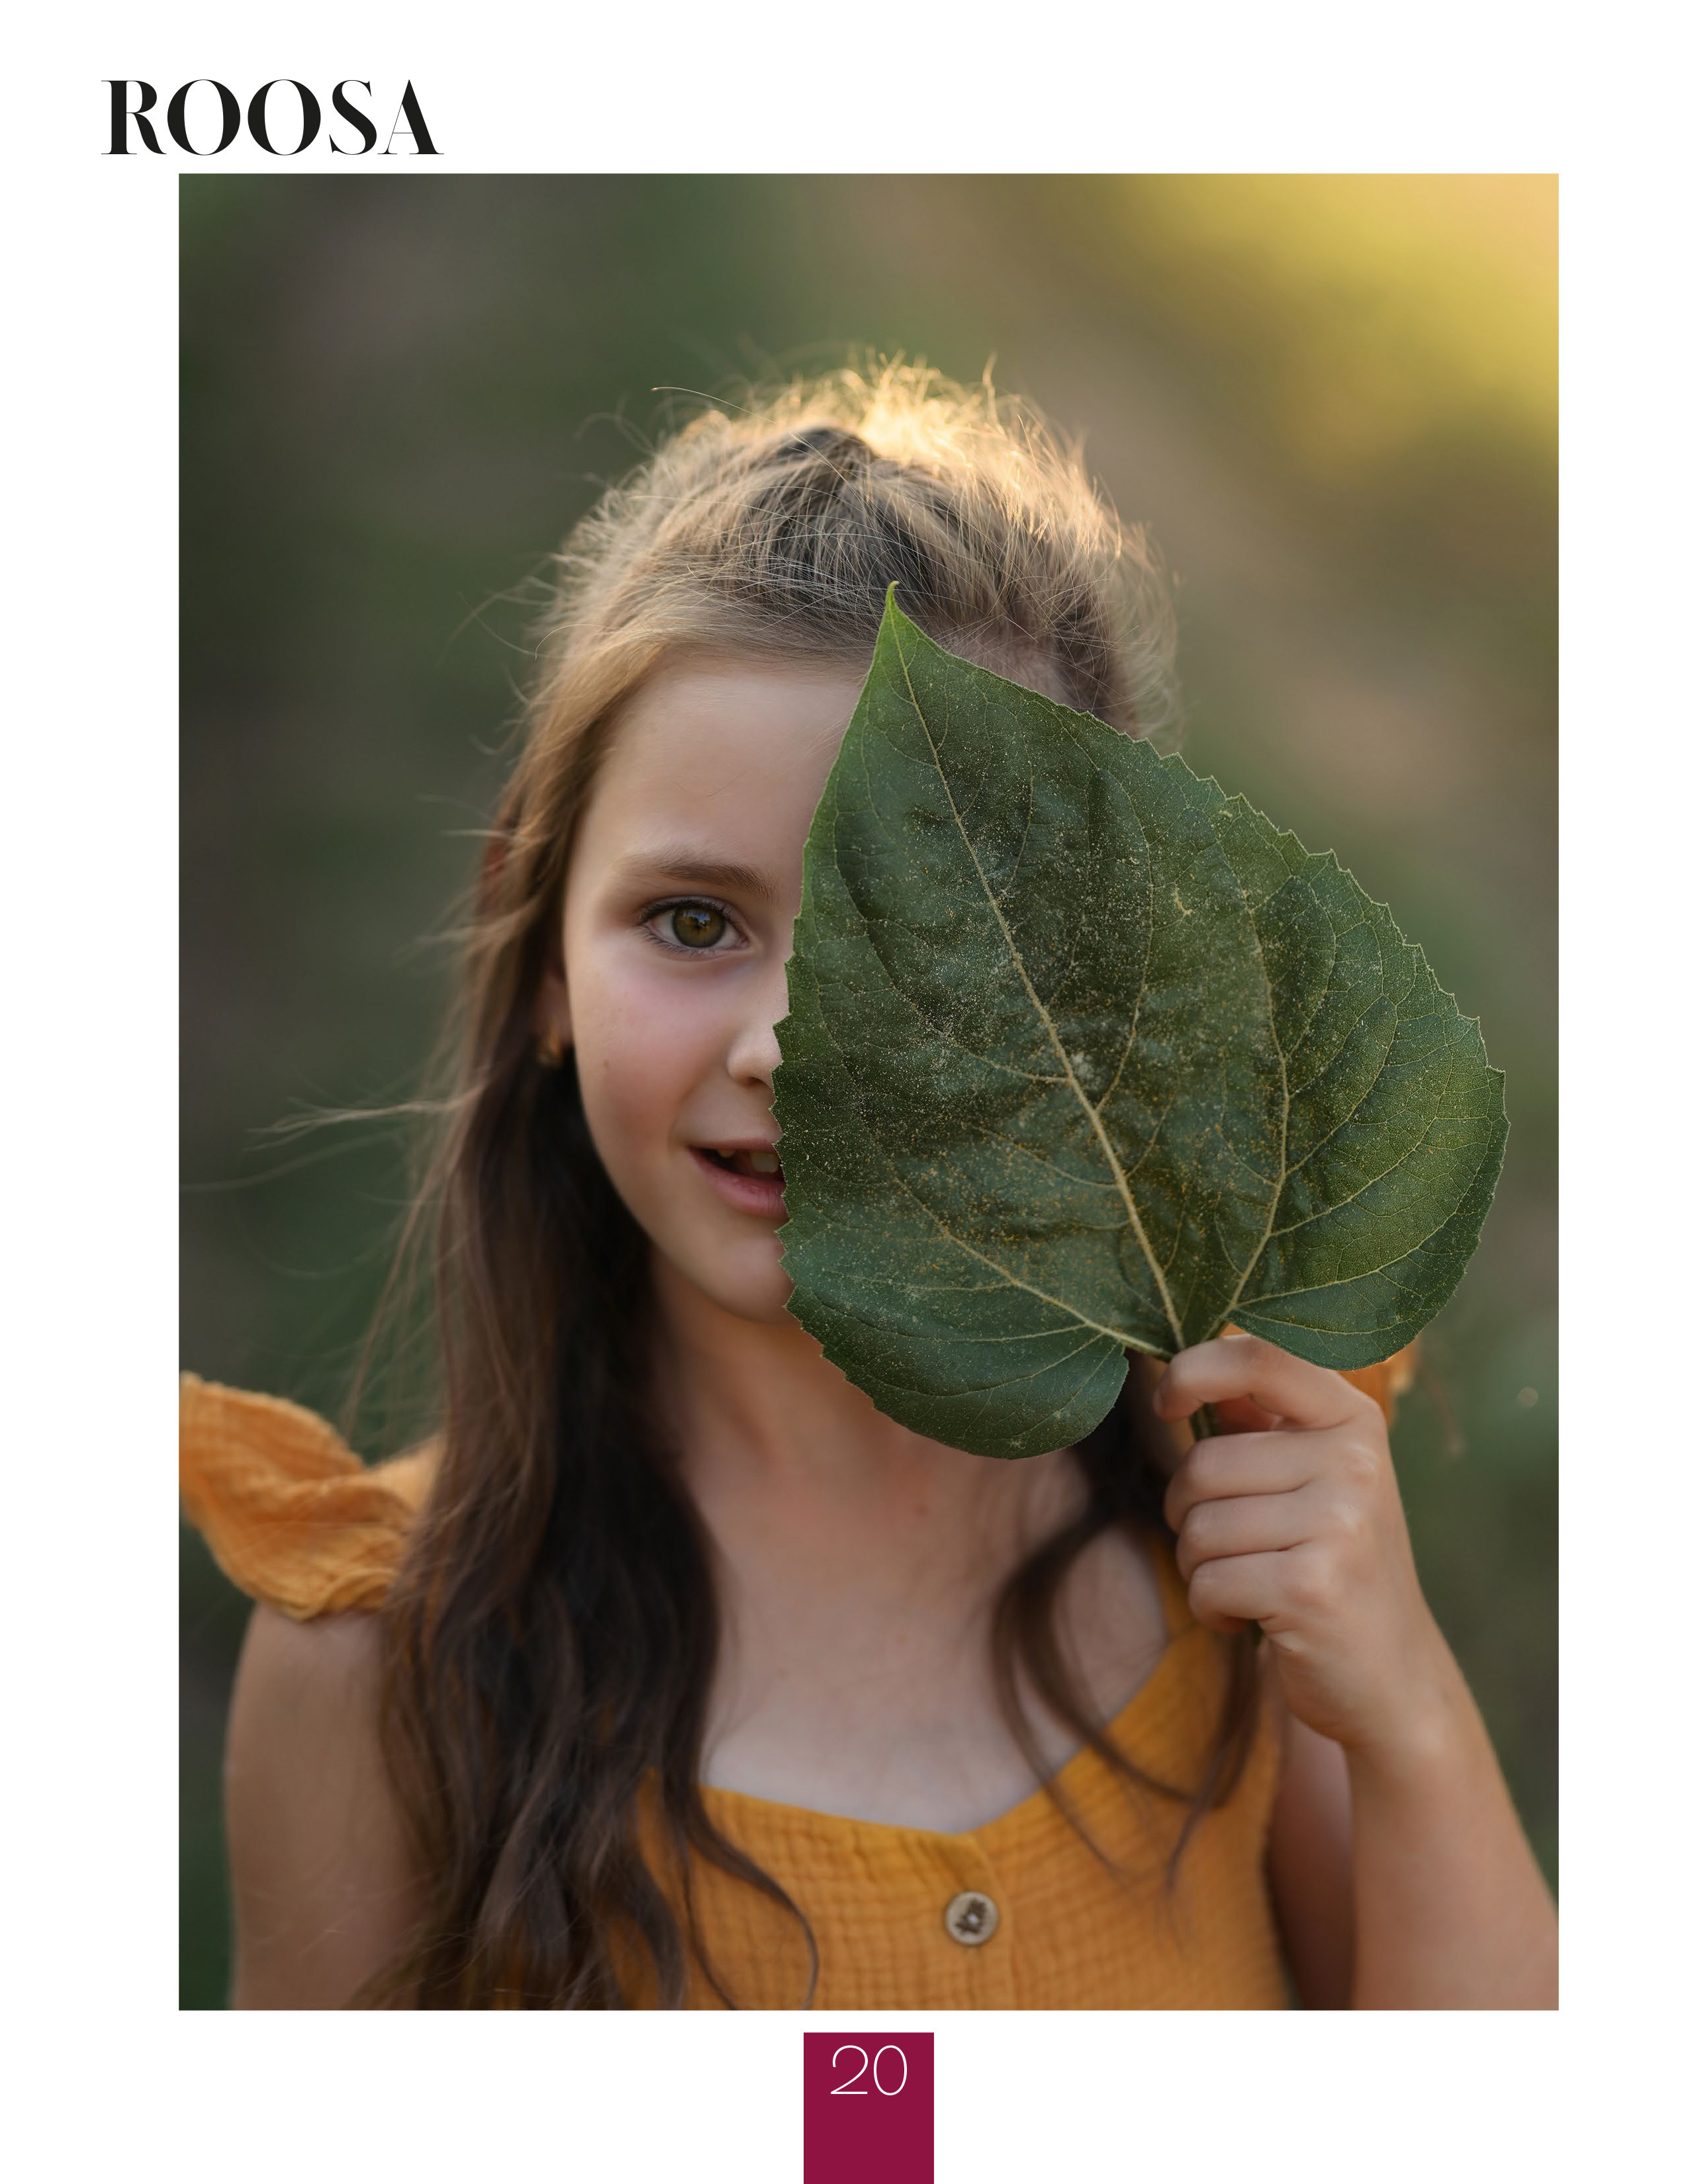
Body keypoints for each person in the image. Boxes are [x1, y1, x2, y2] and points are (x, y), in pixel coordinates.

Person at [180, 363, 1558, 2011]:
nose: (790, 1045)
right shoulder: (382, 1667)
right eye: (694, 922)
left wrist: (1403, 1702)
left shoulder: (1241, 1526)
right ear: (542, 948)